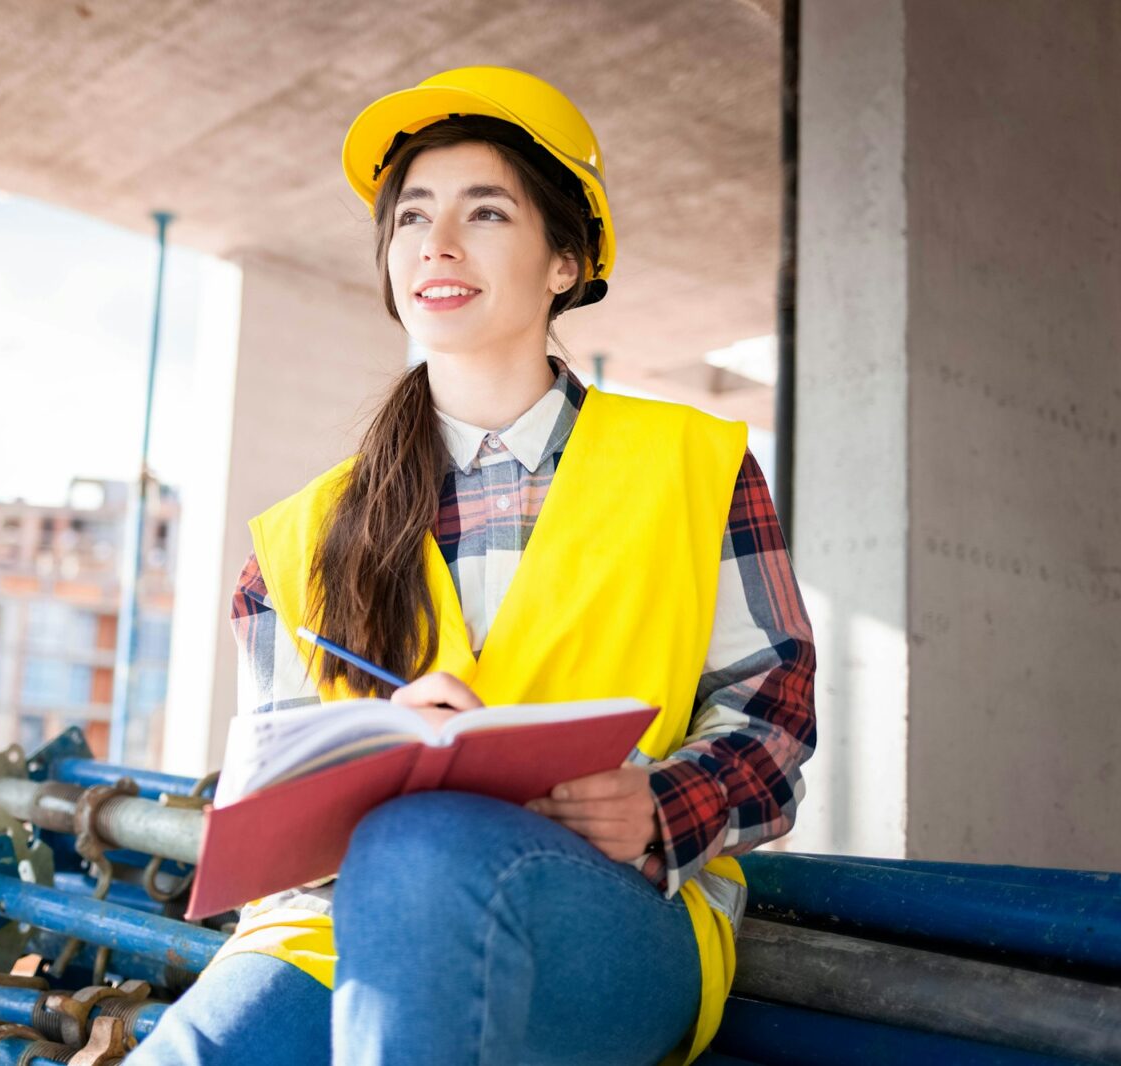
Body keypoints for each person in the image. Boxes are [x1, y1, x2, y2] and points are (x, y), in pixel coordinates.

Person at [131, 66, 816, 1066]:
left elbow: (776, 706)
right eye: (410, 218)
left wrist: (662, 803)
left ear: (564, 263)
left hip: (616, 910)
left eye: (483, 212)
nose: (435, 245)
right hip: (333, 933)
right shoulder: (301, 535)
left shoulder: (693, 465)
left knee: (422, 850)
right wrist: (374, 761)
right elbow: (270, 826)